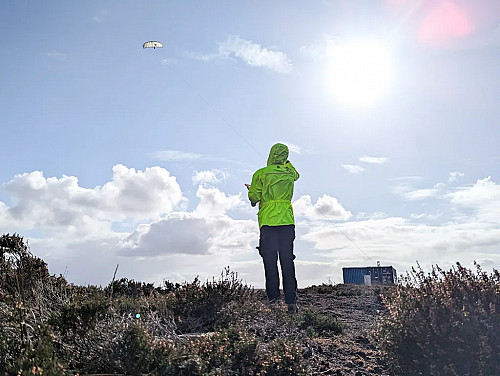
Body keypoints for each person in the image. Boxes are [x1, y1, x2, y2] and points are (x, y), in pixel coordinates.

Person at [247, 143, 300, 314]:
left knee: (270, 263)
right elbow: (296, 174)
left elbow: (254, 197)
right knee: (287, 262)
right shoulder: (290, 173)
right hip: (286, 221)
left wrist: (252, 195)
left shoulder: (261, 174)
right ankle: (291, 302)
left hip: (268, 223)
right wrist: (286, 162)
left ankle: (274, 301)